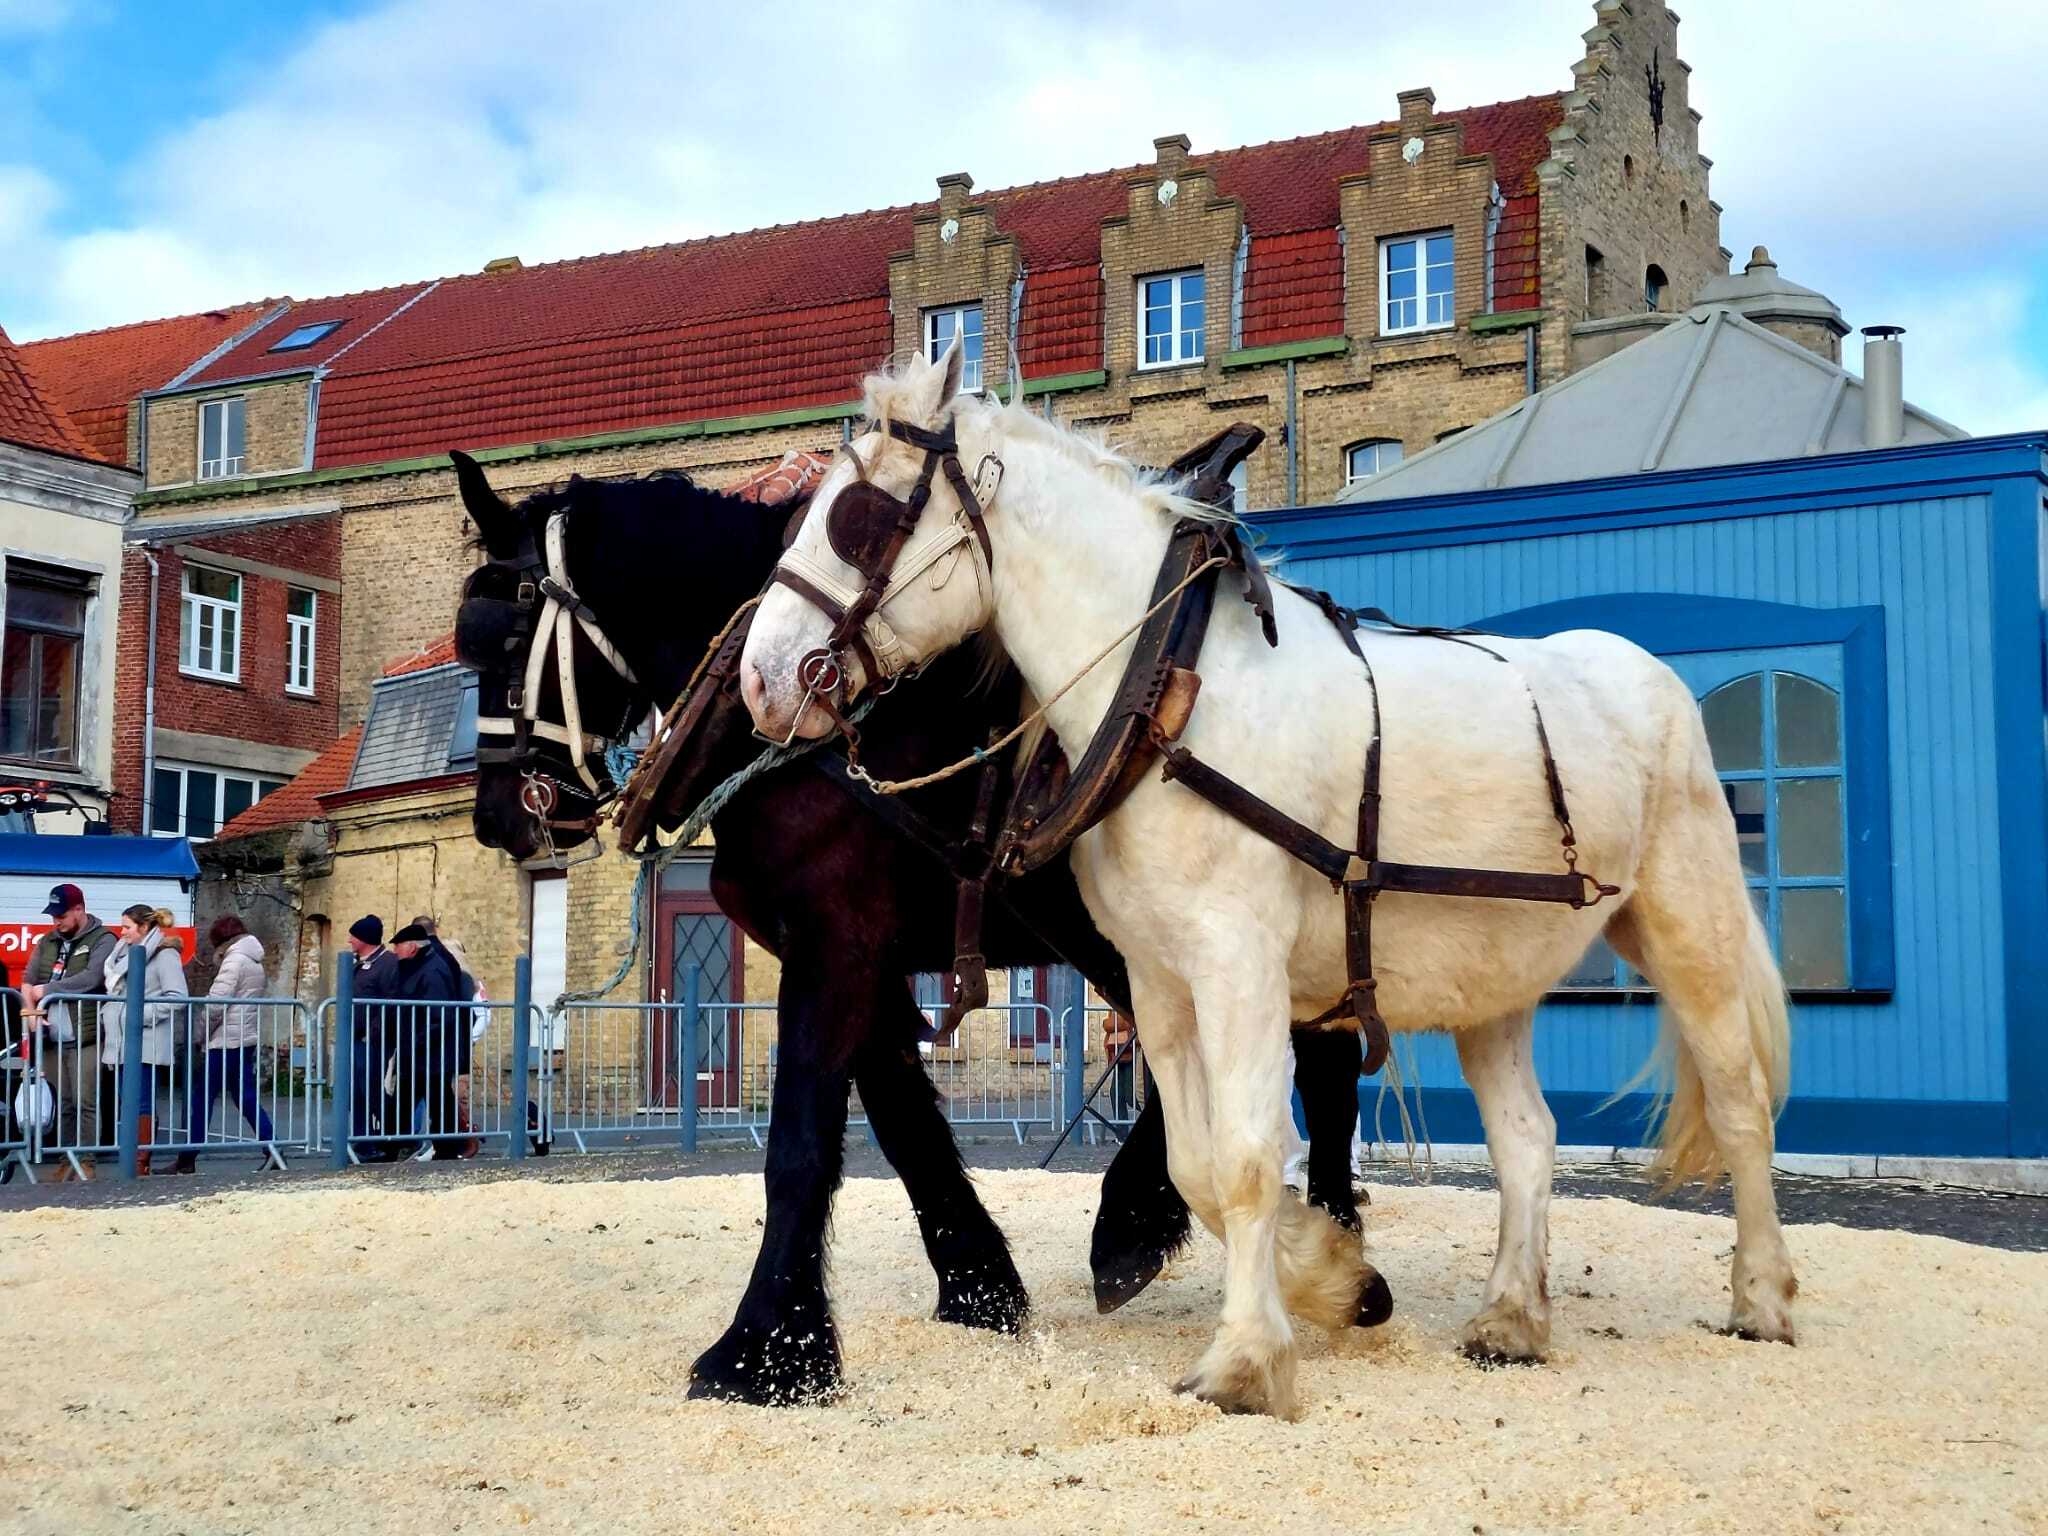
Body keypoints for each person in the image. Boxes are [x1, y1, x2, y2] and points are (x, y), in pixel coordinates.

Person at [20, 884, 118, 1179]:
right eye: (53, 916)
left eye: (61, 915)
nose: (56, 922)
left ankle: (86, 1160)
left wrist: (46, 990)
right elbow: (27, 979)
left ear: (79, 909)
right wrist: (32, 1013)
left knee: (84, 1099)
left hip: (85, 1033)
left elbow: (91, 978)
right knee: (62, 1102)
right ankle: (66, 1158)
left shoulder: (103, 939)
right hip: (53, 1037)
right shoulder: (48, 940)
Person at [175, 916, 278, 1173]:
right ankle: (274, 1149)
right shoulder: (254, 960)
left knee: (202, 1098)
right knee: (245, 1096)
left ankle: (187, 1158)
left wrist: (200, 1034)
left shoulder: (234, 960)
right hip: (245, 1037)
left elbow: (216, 1004)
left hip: (225, 1040)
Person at [101, 905, 189, 1175]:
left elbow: (178, 997)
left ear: (144, 927)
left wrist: (139, 1015)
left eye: (127, 926)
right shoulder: (122, 955)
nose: (122, 932)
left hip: (147, 1042)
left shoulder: (165, 955)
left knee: (140, 1102)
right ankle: (134, 1158)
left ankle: (139, 1162)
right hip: (122, 1041)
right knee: (128, 1101)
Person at [386, 923, 466, 1160]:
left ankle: (444, 1148)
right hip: (421, 1050)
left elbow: (439, 1015)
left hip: (430, 1052)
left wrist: (416, 1041)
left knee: (436, 1101)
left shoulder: (432, 971)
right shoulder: (415, 967)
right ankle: (397, 1146)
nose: (395, 951)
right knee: (414, 1100)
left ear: (411, 947)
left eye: (398, 946)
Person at [412, 917, 485, 1158]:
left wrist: (469, 1038)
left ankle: (451, 1143)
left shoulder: (438, 960)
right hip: (454, 1041)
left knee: (446, 1096)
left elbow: (477, 1011)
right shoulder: (454, 964)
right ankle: (445, 1143)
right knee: (444, 1095)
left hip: (444, 1042)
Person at [345, 916, 399, 1158]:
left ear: (365, 939)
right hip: (356, 1039)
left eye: (353, 936)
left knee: (374, 1092)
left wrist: (372, 1033)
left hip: (374, 1042)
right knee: (356, 1092)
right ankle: (361, 1139)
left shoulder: (387, 964)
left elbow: (389, 1001)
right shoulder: (357, 963)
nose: (349, 940)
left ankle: (381, 1141)